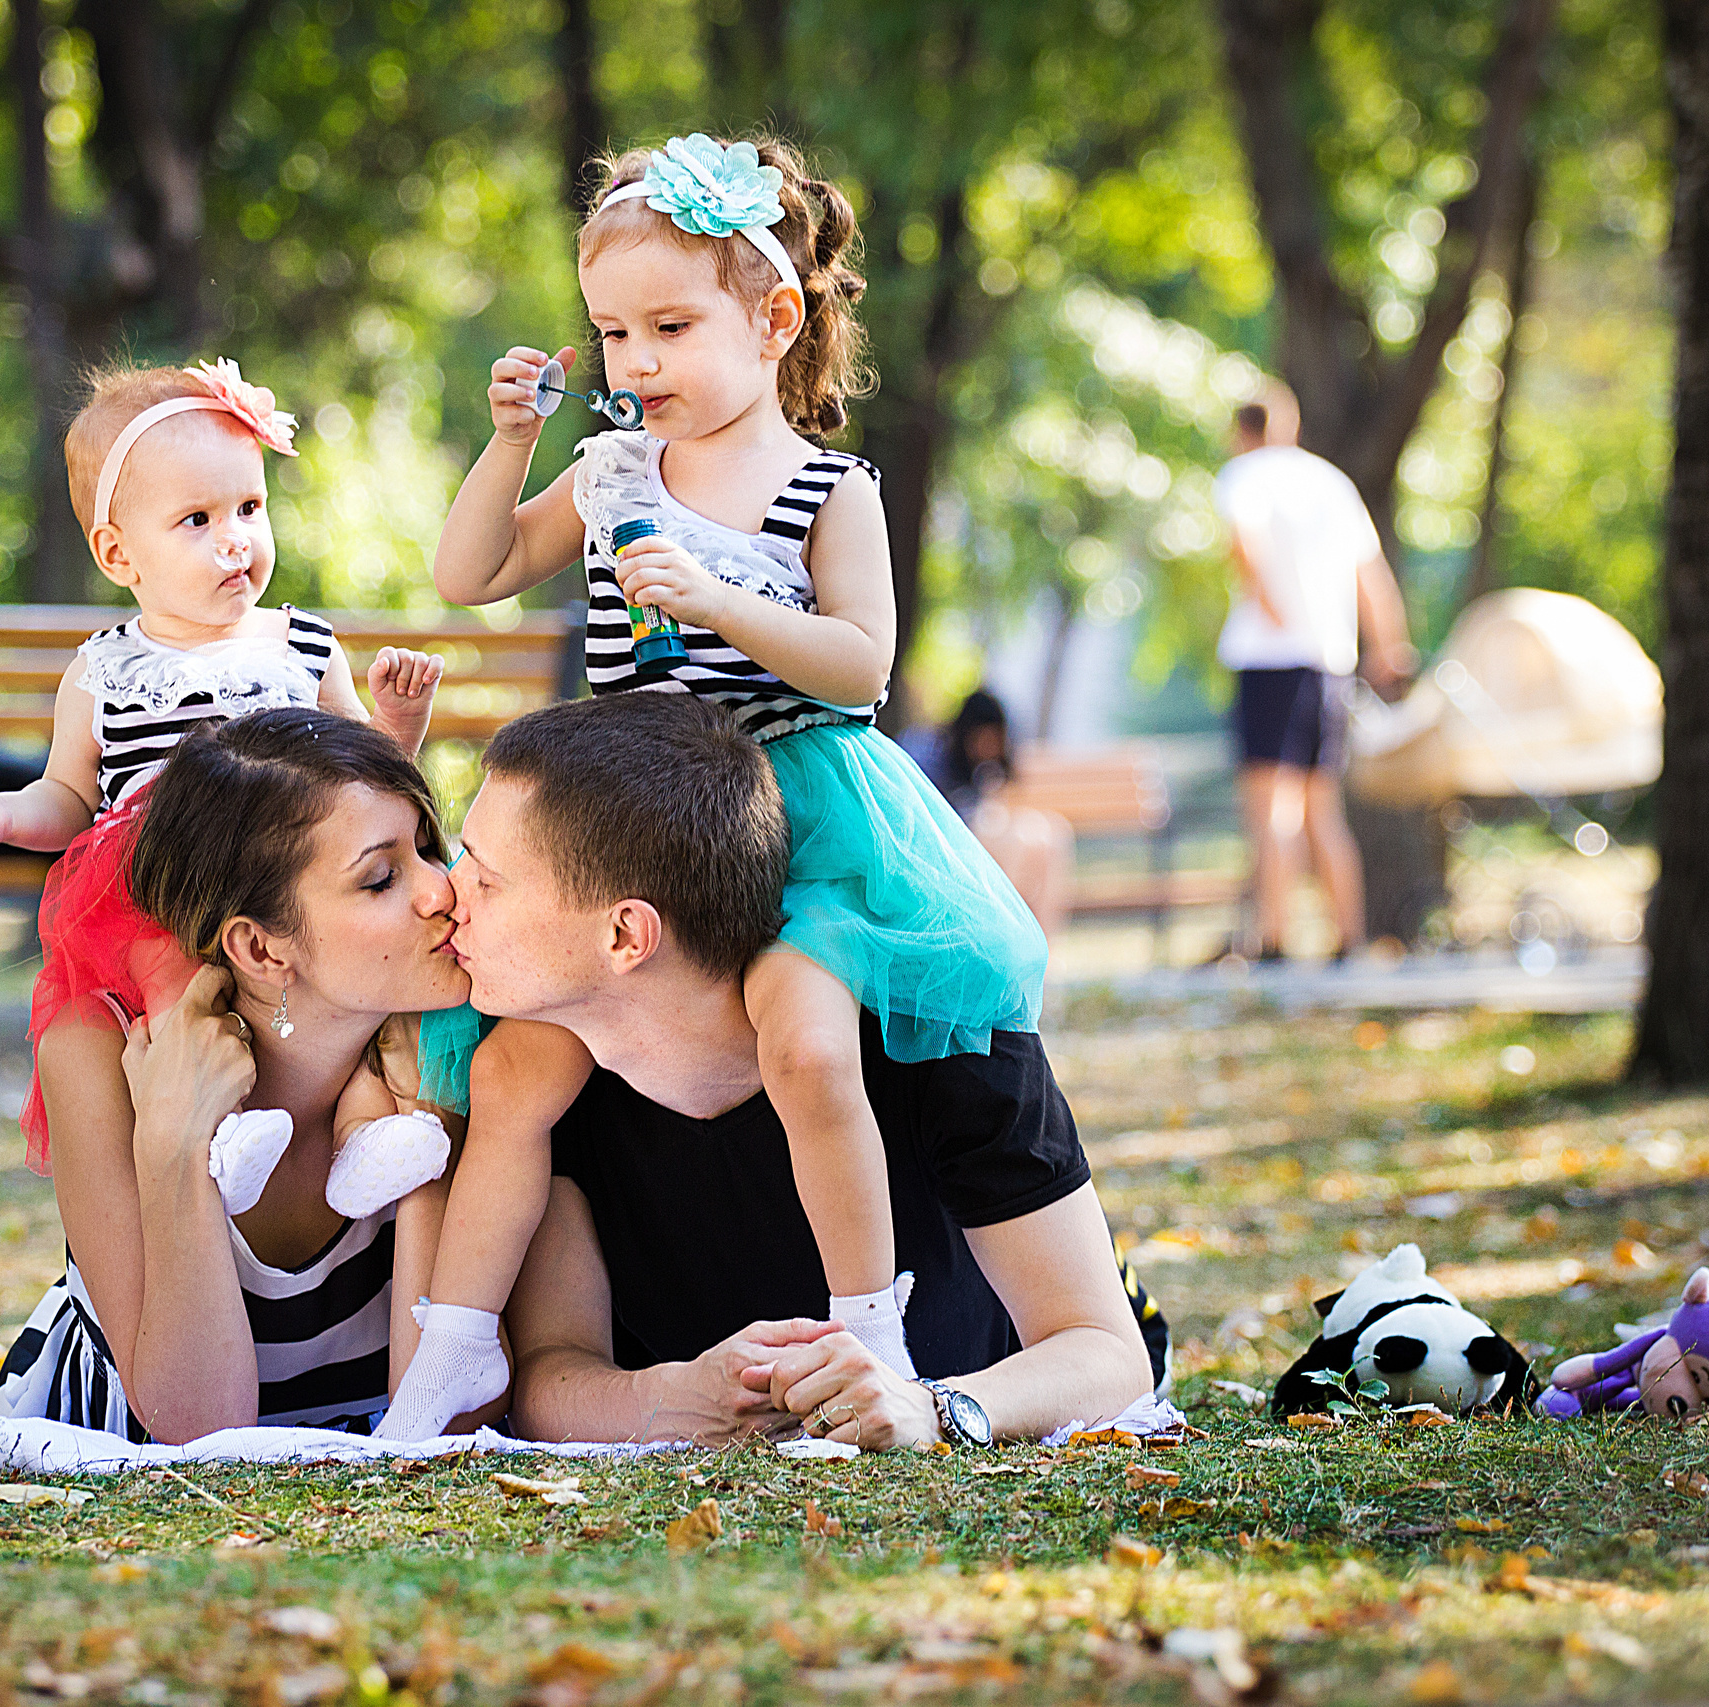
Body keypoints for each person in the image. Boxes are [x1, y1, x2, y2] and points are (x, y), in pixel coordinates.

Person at [383, 134, 1046, 1437]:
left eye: (670, 326)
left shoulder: (822, 487)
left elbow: (860, 669)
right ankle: (455, 1348)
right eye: (614, 333)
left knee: (803, 1036)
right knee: (519, 1073)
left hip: (796, 816)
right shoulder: (617, 466)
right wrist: (513, 439)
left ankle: (870, 1321)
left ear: (773, 317)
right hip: (632, 824)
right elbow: (475, 569)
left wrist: (725, 600)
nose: (637, 364)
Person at [453, 693, 1166, 1449]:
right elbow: (549, 1374)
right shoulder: (549, 1074)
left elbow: (1108, 1354)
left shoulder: (936, 1035)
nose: (447, 891)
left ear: (627, 933)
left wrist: (933, 1406)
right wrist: (666, 1397)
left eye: (486, 878)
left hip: (987, 1388)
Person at [0, 358, 445, 1197]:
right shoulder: (102, 672)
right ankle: (221, 1134)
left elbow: (367, 781)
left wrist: (399, 727)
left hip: (292, 873)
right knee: (181, 984)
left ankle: (365, 1137)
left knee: (361, 1002)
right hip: (159, 878)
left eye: (249, 506)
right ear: (117, 552)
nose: (235, 537)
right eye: (197, 519)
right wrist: (5, 818)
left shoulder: (301, 645)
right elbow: (69, 796)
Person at [0, 709, 482, 1440]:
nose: (441, 891)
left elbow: (440, 1414)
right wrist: (173, 1143)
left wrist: (430, 1132)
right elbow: (197, 1429)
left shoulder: (449, 1040)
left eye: (429, 849)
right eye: (381, 878)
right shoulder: (96, 1052)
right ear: (260, 947)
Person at [1214, 381, 1415, 962]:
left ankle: (1272, 939)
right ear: (1291, 424)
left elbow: (1245, 546)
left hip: (1270, 658)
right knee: (1321, 807)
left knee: (1269, 804)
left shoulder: (1245, 475)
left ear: (1242, 432)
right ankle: (1348, 937)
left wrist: (1275, 610)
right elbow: (1371, 574)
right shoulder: (1332, 483)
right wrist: (1387, 647)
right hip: (1329, 662)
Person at [933, 688, 1073, 938]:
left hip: (994, 836)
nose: (988, 747)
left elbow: (1009, 803)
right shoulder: (940, 759)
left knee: (1054, 833)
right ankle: (1000, 939)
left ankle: (1044, 948)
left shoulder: (994, 765)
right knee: (1012, 838)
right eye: (983, 738)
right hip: (955, 845)